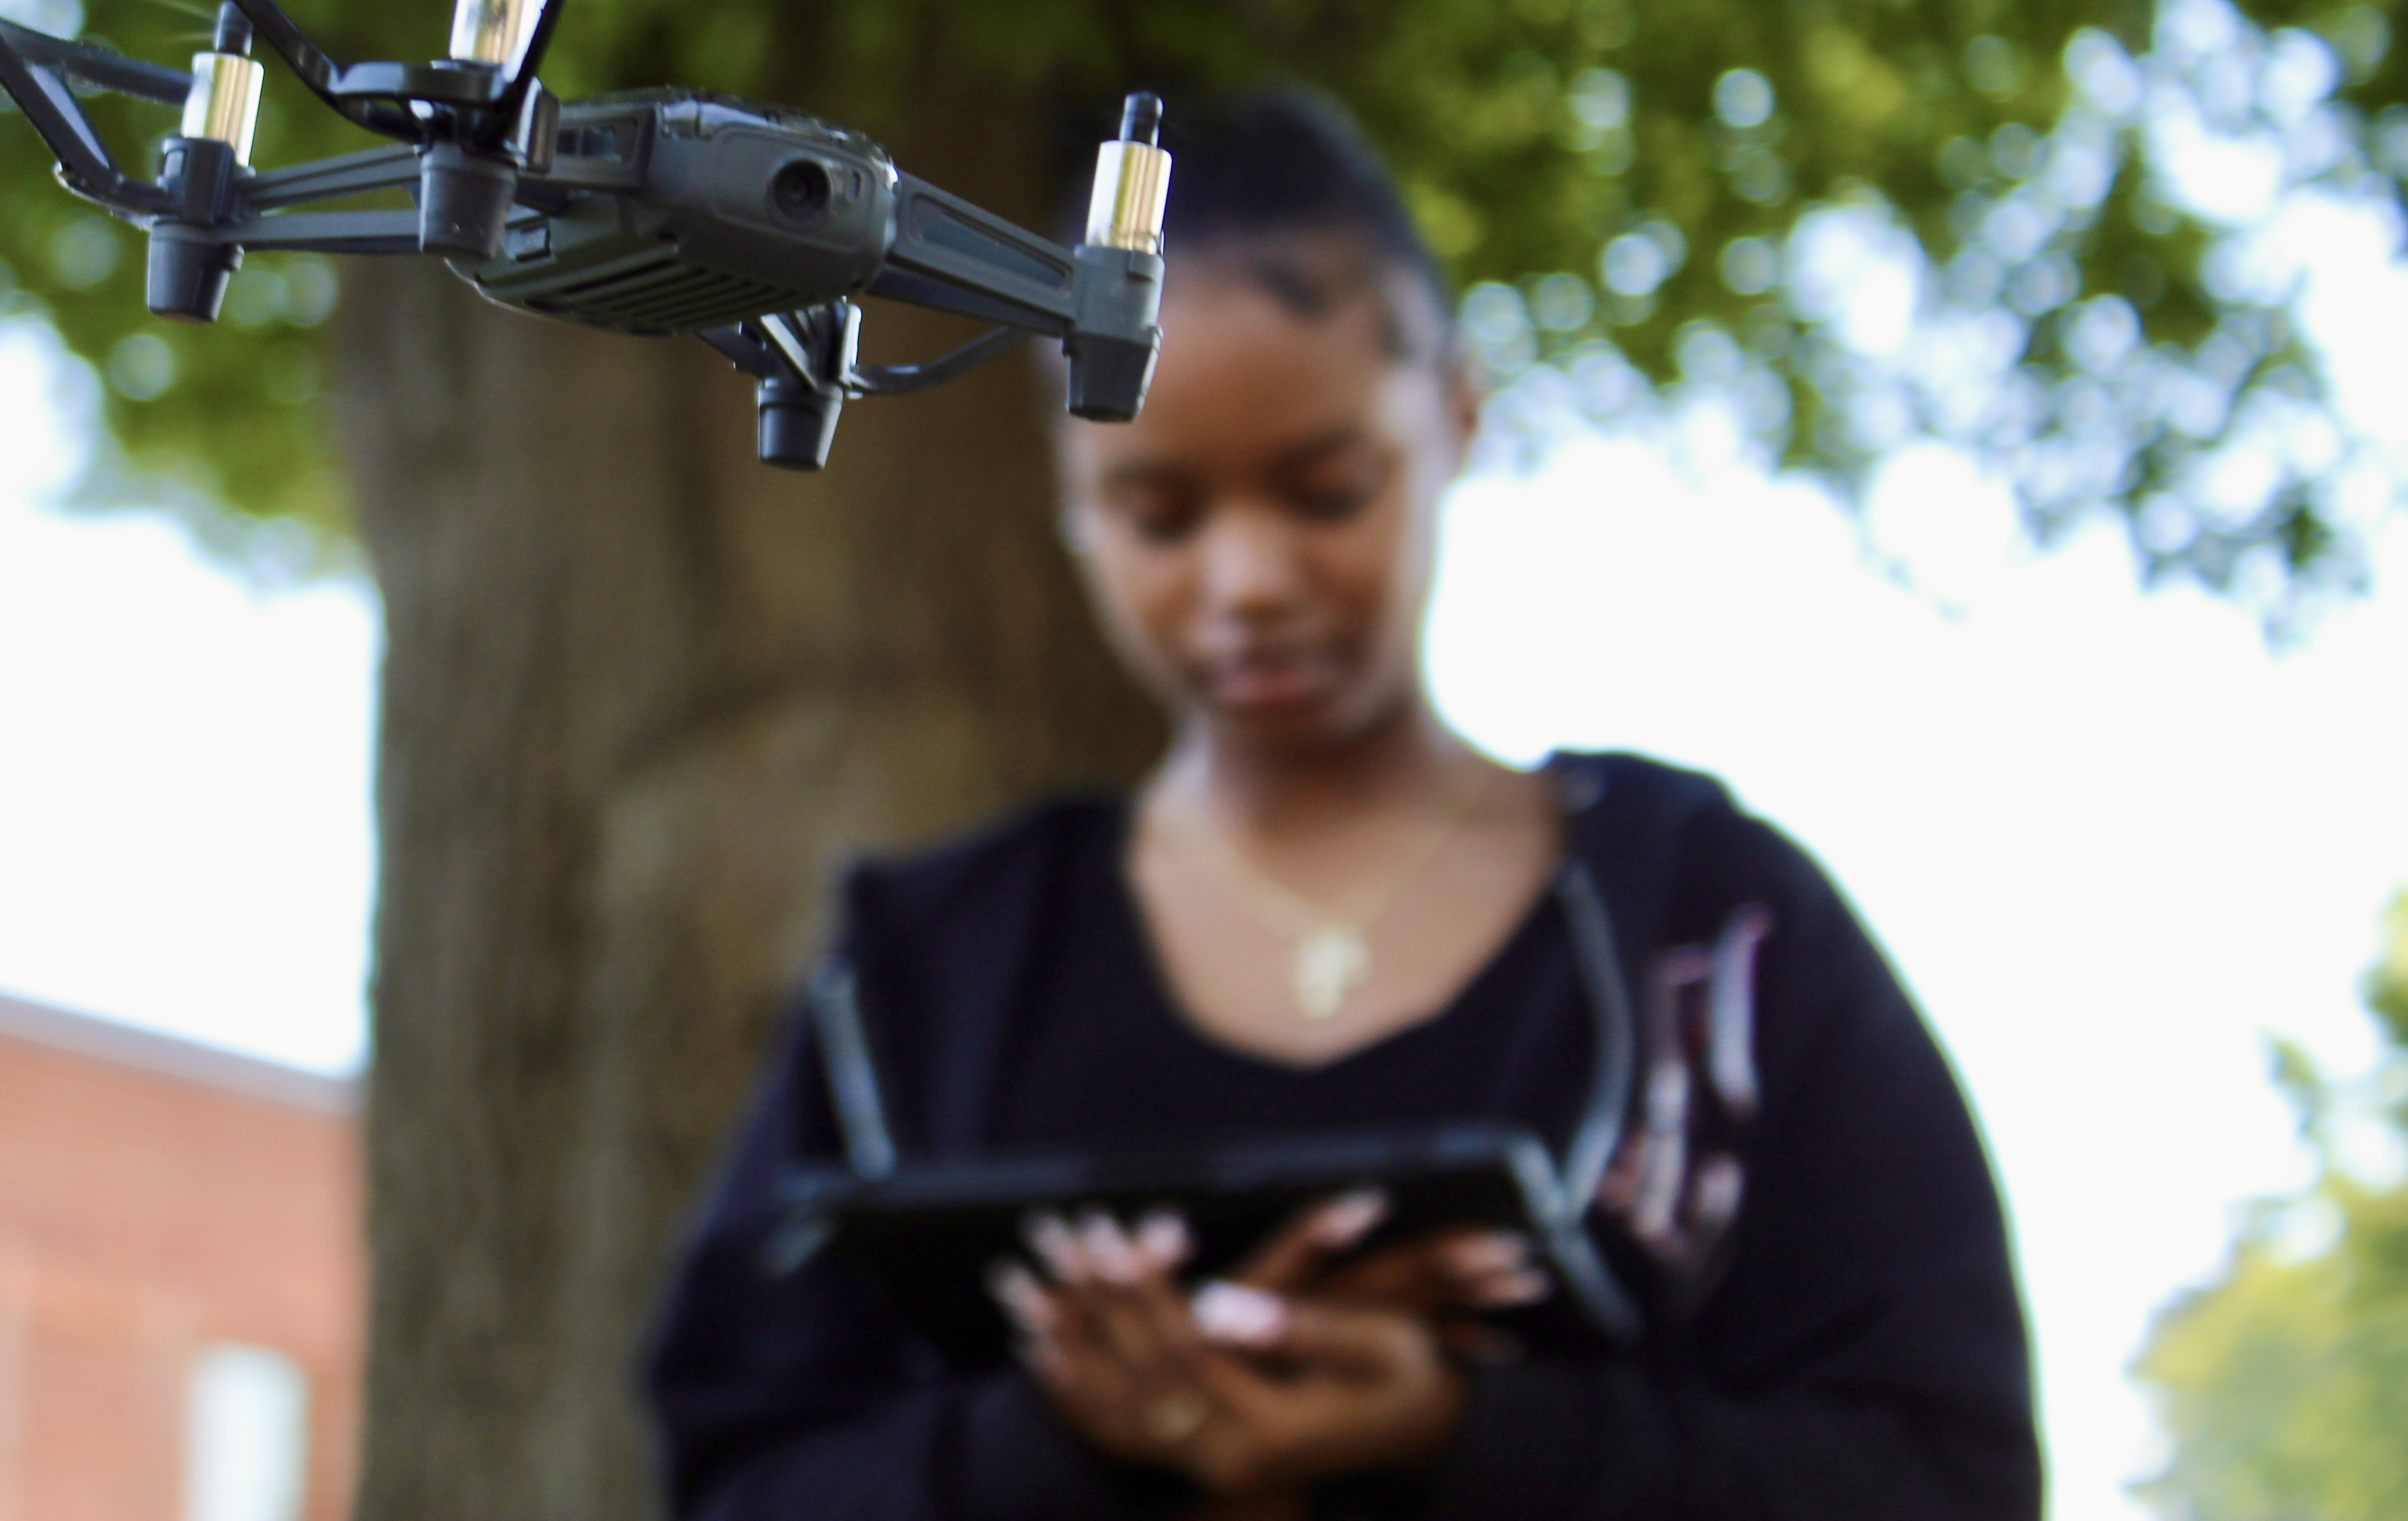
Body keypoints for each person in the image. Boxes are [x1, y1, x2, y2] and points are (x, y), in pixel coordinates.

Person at [643, 88, 2040, 1520]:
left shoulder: (1712, 938)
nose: (1247, 579)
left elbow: (1949, 1475)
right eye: (1159, 512)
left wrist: (1472, 1431)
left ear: (1456, 416)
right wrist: (1060, 1440)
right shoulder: (920, 975)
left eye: (1325, 489)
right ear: (1069, 489)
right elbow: (740, 1478)